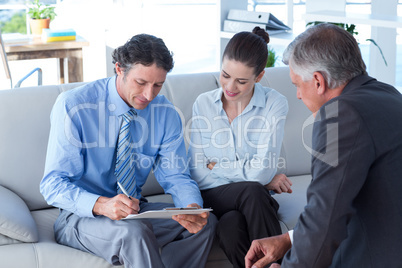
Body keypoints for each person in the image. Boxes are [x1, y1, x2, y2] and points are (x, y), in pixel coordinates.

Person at [40, 34, 217, 268]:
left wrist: (191, 207)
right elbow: (52, 184)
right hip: (82, 217)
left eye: (158, 85)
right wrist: (102, 204)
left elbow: (176, 176)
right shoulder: (74, 106)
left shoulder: (165, 113)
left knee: (205, 224)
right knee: (134, 233)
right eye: (141, 83)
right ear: (119, 69)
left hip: (135, 211)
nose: (149, 95)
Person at [245, 23, 402, 268]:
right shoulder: (390, 96)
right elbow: (357, 200)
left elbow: (325, 217)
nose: (297, 95)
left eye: (297, 84)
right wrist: (289, 239)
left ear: (318, 81)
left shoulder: (339, 114)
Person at [188, 27, 293, 268]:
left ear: (259, 76)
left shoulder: (274, 104)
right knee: (253, 191)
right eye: (225, 75)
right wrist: (260, 179)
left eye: (241, 81)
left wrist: (218, 166)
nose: (230, 87)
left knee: (229, 228)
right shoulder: (204, 103)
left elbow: (262, 171)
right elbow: (198, 172)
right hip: (215, 195)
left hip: (250, 203)